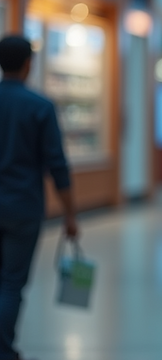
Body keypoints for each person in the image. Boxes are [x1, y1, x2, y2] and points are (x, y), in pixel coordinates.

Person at [0, 35, 78, 360]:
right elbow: (57, 165)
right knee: (12, 282)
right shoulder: (41, 107)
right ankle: (4, 350)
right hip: (23, 207)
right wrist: (70, 214)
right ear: (29, 64)